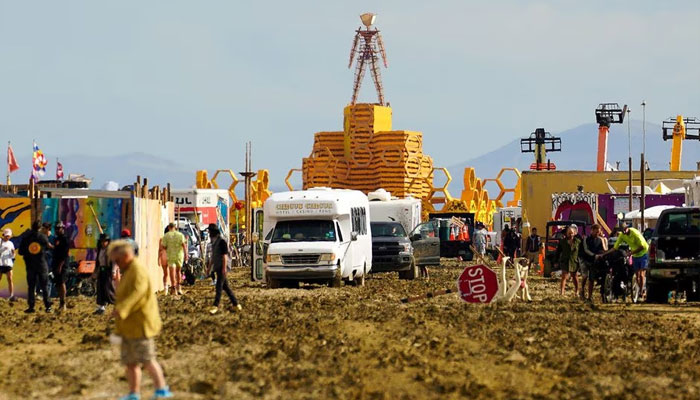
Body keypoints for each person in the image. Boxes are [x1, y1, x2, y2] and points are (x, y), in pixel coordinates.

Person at [108, 240, 173, 400]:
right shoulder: (128, 270)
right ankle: (133, 393)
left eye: (117, 260)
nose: (116, 264)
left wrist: (122, 309)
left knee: (148, 359)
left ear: (126, 255)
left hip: (141, 324)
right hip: (128, 326)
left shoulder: (137, 270)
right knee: (130, 362)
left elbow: (137, 293)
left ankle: (161, 389)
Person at [600, 223, 649, 298]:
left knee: (641, 274)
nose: (623, 232)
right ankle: (640, 290)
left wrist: (630, 253)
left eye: (624, 230)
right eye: (621, 231)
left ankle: (641, 291)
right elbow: (615, 247)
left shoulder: (635, 233)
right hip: (635, 255)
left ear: (627, 228)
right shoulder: (622, 235)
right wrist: (605, 253)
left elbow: (642, 246)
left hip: (643, 253)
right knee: (637, 275)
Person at [18, 220, 52, 313]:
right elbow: (48, 247)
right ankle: (48, 306)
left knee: (31, 287)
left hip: (30, 265)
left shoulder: (26, 237)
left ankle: (31, 306)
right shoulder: (43, 237)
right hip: (41, 264)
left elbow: (20, 252)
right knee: (44, 286)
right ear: (40, 228)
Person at [207, 224, 241, 315]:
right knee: (226, 287)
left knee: (219, 287)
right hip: (218, 267)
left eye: (209, 231)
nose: (209, 233)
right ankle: (236, 304)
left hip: (222, 267)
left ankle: (215, 305)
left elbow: (225, 256)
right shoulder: (214, 242)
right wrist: (209, 268)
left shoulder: (222, 242)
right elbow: (213, 257)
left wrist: (224, 268)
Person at [581, 224, 607, 301]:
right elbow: (586, 250)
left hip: (596, 260)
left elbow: (604, 249)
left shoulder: (600, 239)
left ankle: (593, 296)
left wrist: (604, 241)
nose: (597, 234)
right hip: (586, 260)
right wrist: (594, 255)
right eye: (596, 232)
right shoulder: (586, 239)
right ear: (591, 230)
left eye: (598, 232)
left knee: (594, 278)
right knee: (586, 277)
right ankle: (583, 290)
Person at [93, 234, 117, 315]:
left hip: (108, 271)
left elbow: (114, 262)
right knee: (100, 288)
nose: (104, 243)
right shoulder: (100, 250)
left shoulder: (111, 250)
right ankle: (101, 307)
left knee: (109, 289)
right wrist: (95, 272)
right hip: (101, 271)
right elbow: (98, 262)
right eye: (102, 241)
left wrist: (113, 272)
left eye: (105, 241)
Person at [556, 225, 581, 297]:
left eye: (572, 233)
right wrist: (556, 261)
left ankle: (577, 291)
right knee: (564, 276)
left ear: (575, 233)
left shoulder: (578, 242)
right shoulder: (562, 242)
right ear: (566, 233)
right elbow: (558, 252)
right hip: (565, 261)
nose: (570, 234)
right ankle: (562, 292)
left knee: (575, 276)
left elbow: (581, 252)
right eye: (569, 233)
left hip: (574, 261)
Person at [162, 223, 187, 296]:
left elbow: (164, 247)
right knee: (178, 271)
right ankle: (179, 287)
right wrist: (186, 255)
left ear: (169, 227)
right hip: (179, 256)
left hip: (170, 256)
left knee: (172, 272)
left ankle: (173, 288)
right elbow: (184, 246)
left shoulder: (166, 236)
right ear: (175, 227)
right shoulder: (180, 235)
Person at [51, 222, 70, 311]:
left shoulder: (65, 239)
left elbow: (64, 254)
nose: (57, 230)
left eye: (59, 228)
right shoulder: (56, 239)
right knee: (58, 283)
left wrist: (60, 266)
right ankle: (60, 302)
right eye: (56, 228)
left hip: (62, 264)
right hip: (55, 263)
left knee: (62, 282)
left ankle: (63, 302)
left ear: (63, 229)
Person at [0, 229, 16, 301]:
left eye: (9, 236)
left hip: (8, 263)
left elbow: (13, 256)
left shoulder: (11, 243)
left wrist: (13, 253)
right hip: (0, 263)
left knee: (10, 279)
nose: (7, 237)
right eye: (6, 236)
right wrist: (3, 249)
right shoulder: (0, 242)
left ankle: (11, 295)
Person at [158, 227, 169, 293]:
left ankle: (166, 289)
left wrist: (158, 258)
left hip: (163, 256)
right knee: (172, 273)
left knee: (165, 274)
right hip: (171, 256)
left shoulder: (161, 239)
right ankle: (174, 287)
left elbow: (159, 250)